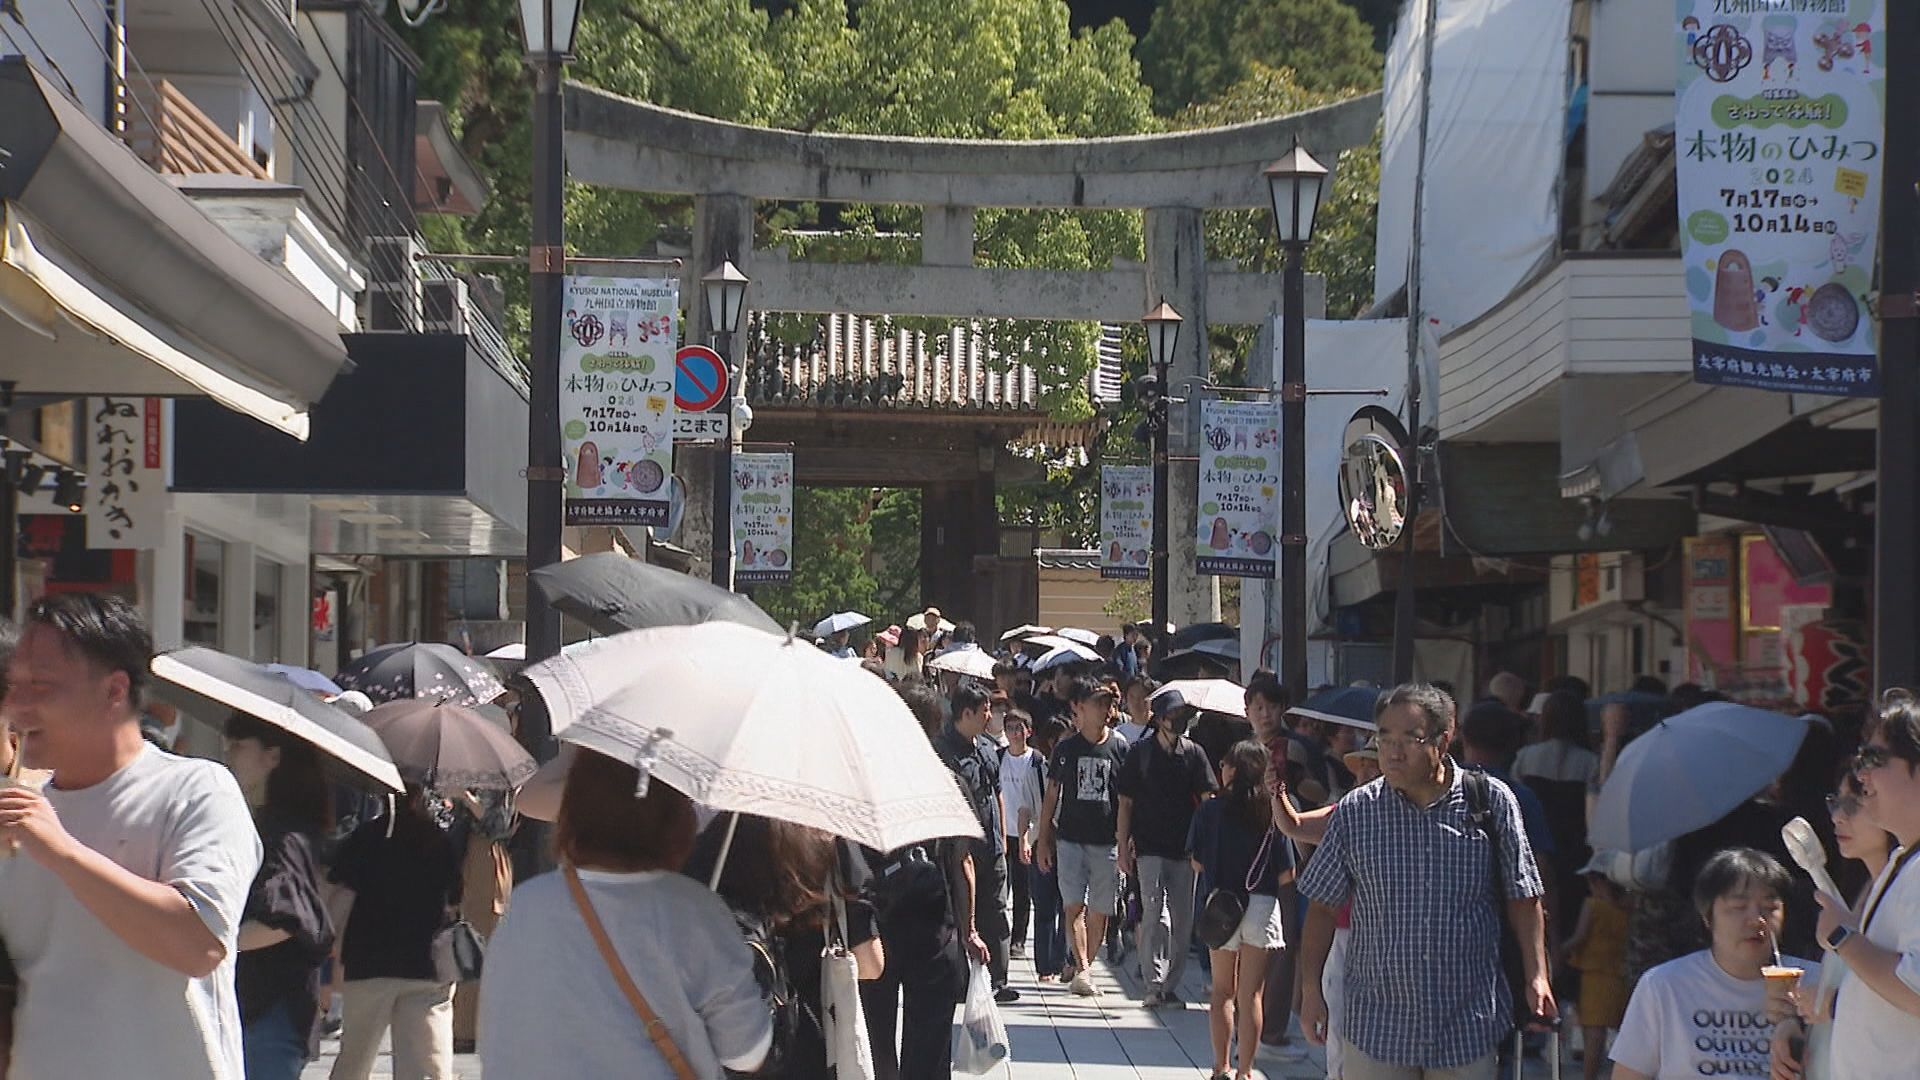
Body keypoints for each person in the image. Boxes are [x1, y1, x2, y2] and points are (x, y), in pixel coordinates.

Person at [0, 594, 262, 1079]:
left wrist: (60, 851)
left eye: (40, 685)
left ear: (114, 691)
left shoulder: (196, 790)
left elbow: (198, 945)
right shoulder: (16, 812)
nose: (17, 706)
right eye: (13, 686)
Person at [1297, 682, 1553, 1080]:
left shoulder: (1489, 802)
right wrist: (1311, 990)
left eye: (1410, 739)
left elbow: (1524, 897)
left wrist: (1537, 974)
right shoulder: (1356, 812)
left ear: (1444, 739)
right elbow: (1322, 906)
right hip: (1378, 1026)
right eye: (1384, 737)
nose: (1393, 752)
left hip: (1467, 1023)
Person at [479, 748, 772, 1077]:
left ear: (572, 812)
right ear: (675, 819)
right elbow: (746, 1052)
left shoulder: (527, 904)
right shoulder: (695, 912)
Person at [685, 814, 885, 1078]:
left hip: (713, 1041)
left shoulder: (706, 843)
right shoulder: (828, 842)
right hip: (800, 1041)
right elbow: (870, 964)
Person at [1609, 848, 1815, 1080]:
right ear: (1708, 917)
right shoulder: (1664, 985)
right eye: (1738, 907)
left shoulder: (1815, 981)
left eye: (1769, 908)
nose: (1756, 919)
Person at [1803, 690, 1920, 1079]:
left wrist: (1843, 937)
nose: (1861, 774)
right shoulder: (1903, 863)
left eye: (1873, 759)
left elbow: (1917, 991)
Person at [863, 682, 973, 1079]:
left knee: (875, 1039)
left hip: (876, 927)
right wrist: (968, 929)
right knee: (928, 1044)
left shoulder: (866, 781)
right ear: (934, 726)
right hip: (933, 926)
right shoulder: (948, 781)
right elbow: (962, 863)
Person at [223, 711, 338, 1080]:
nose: (228, 756)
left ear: (272, 757)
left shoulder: (280, 833)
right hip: (270, 1007)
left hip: (269, 1008)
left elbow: (288, 918)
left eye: (238, 747)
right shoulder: (282, 827)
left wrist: (215, 942)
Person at [327, 782, 464, 1080]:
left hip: (368, 963)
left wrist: (329, 948)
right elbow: (453, 903)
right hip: (427, 967)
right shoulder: (439, 842)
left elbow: (341, 899)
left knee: (354, 1062)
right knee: (425, 1068)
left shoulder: (366, 838)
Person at [1771, 770, 1897, 1080]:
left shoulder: (1907, 894)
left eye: (1855, 803)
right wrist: (1792, 1021)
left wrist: (1832, 1003)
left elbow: (1908, 990)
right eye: (1836, 803)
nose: (1838, 816)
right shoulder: (1864, 892)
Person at [1190, 741, 1292, 1080]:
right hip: (1261, 905)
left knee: (1222, 992)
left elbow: (1196, 862)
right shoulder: (1270, 811)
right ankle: (1246, 1071)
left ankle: (1221, 1067)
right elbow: (1287, 873)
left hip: (1222, 905)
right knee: (1252, 994)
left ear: (1233, 769)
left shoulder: (1210, 810)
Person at [1116, 692, 1218, 1007]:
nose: (1179, 721)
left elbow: (1207, 800)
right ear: (1160, 719)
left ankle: (1171, 986)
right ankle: (1153, 983)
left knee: (1183, 920)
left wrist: (1207, 844)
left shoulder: (1194, 754)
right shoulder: (1140, 754)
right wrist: (1122, 845)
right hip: (1148, 847)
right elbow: (1125, 803)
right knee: (1154, 915)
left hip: (1184, 850)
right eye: (1174, 714)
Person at [1034, 675, 1130, 996]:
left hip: (1107, 842)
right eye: (1096, 703)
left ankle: (1081, 966)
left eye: (1107, 704)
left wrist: (1127, 839)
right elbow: (1051, 794)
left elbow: (1127, 800)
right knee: (1073, 905)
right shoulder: (1066, 748)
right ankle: (1085, 970)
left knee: (1101, 910)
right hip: (1071, 839)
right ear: (1079, 707)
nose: (1103, 709)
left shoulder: (1119, 747)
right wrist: (1043, 838)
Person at [935, 681, 1017, 1003]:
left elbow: (997, 792)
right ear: (966, 713)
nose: (989, 717)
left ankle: (998, 980)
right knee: (960, 911)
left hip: (992, 846)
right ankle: (960, 979)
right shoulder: (943, 750)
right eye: (985, 712)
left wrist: (1003, 835)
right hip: (959, 848)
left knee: (995, 911)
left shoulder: (985, 748)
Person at [1558, 856, 1627, 1080]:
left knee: (1593, 1030)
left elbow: (1579, 937)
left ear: (1599, 882)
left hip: (1593, 974)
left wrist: (1559, 950)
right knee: (1618, 1028)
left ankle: (1589, 1076)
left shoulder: (1593, 905)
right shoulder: (1627, 908)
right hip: (1617, 972)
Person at [1027, 714, 1071, 981]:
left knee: (1068, 905)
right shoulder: (1035, 771)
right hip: (1041, 841)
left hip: (1069, 843)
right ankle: (1044, 966)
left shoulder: (1073, 767)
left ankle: (1062, 960)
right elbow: (1028, 807)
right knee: (1044, 907)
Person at [999, 709, 1044, 962]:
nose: (1016, 733)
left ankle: (1018, 940)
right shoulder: (997, 758)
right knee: (1000, 891)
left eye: (1020, 728)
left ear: (1029, 731)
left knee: (1023, 890)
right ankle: (1001, 937)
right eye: (1011, 728)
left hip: (1029, 834)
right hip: (1003, 832)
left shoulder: (1036, 760)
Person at [1117, 675, 1158, 745]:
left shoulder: (1162, 729)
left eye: (1141, 696)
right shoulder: (1119, 733)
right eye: (1132, 696)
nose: (1136, 702)